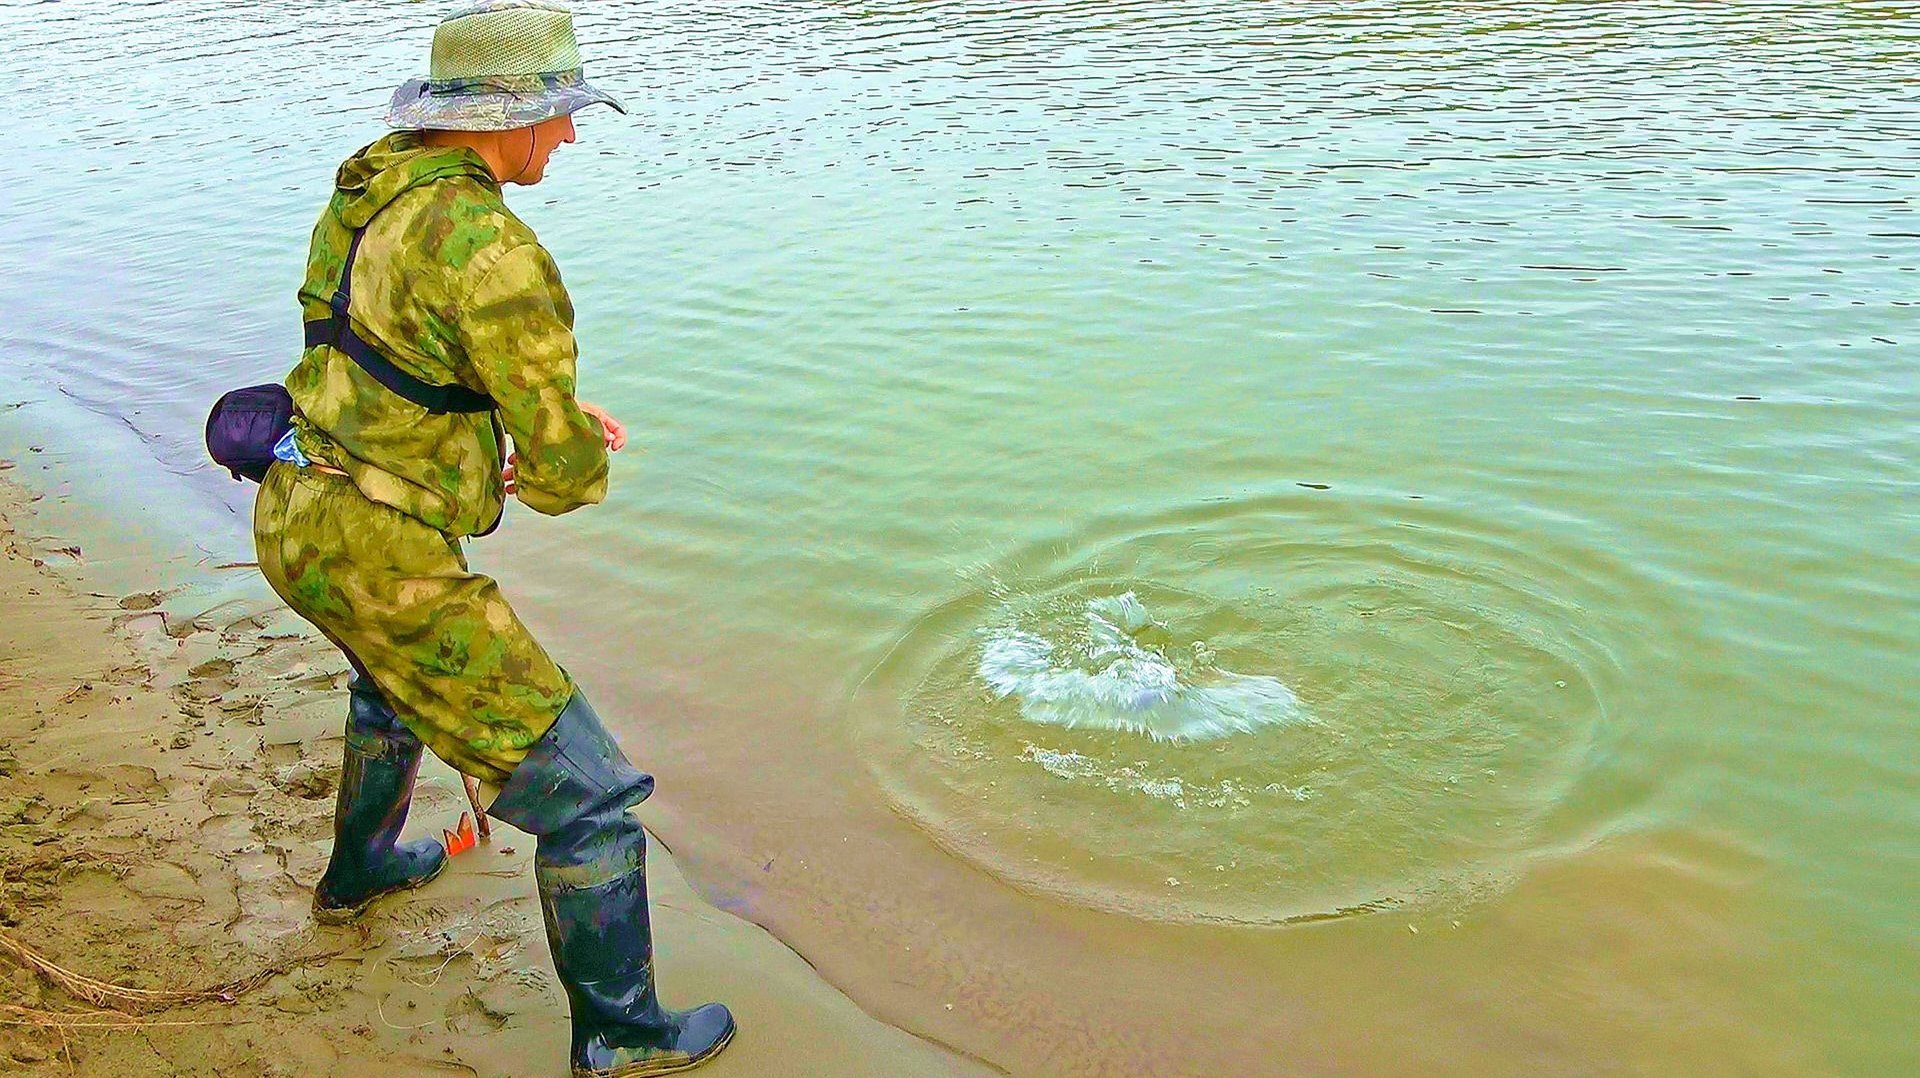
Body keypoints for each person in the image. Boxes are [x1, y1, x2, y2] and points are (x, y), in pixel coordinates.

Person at [251, 2, 735, 1074]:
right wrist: (560, 447)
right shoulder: (495, 249)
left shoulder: (372, 181)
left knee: (390, 683)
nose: (565, 137)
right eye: (558, 118)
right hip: (382, 549)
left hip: (296, 509)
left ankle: (361, 869)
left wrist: (501, 427)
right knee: (592, 796)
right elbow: (562, 472)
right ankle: (620, 1033)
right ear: (506, 121)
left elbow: (375, 346)